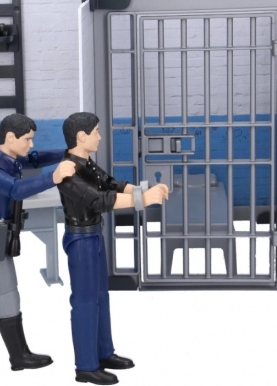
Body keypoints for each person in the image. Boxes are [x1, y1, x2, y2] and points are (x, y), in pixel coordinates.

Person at [0, 113, 75, 371]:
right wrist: (53, 177)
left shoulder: (11, 158)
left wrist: (66, 153)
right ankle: (19, 356)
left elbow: (35, 159)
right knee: (6, 291)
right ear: (10, 138)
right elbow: (17, 190)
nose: (31, 144)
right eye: (27, 139)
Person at [57, 112, 169, 385]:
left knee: (100, 296)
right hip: (81, 240)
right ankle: (86, 366)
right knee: (85, 302)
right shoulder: (67, 171)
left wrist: (144, 189)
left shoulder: (86, 163)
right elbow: (99, 200)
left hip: (94, 234)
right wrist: (144, 199)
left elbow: (111, 184)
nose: (99, 136)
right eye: (95, 131)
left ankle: (103, 353)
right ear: (81, 136)